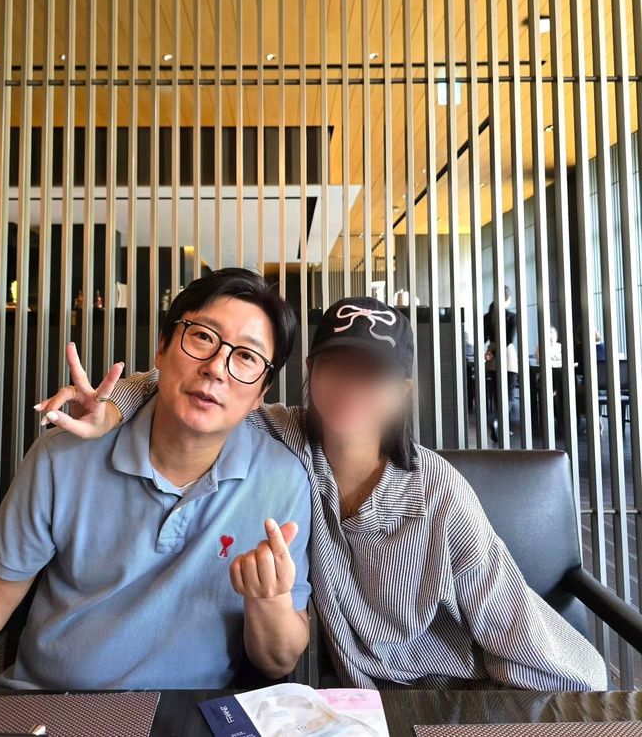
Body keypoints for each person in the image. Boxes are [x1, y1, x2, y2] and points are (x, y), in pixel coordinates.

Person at [39, 295, 607, 691]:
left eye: (373, 373)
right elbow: (194, 388)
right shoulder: (284, 438)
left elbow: (515, 629)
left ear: (402, 391)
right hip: (356, 704)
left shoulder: (437, 495)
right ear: (310, 370)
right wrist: (112, 406)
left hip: (464, 692)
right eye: (336, 366)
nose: (351, 387)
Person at [0, 268, 312, 690]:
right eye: (203, 337)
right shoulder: (63, 456)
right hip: (50, 704)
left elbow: (278, 661)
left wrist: (269, 599)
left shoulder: (282, 480)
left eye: (247, 357)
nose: (217, 367)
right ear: (162, 348)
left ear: (261, 393)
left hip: (191, 714)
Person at [483, 285, 518, 443]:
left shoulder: (487, 317)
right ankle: (498, 421)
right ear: (508, 299)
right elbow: (508, 339)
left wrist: (490, 352)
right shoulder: (511, 317)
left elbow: (483, 338)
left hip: (491, 358)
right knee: (509, 395)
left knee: (498, 395)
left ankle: (503, 427)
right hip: (507, 356)